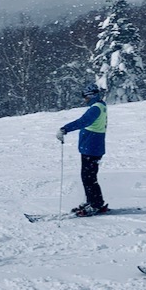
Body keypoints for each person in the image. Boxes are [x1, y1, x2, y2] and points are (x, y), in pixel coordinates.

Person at [56, 83, 109, 217]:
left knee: (88, 177)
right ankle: (94, 201)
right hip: (92, 146)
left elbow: (83, 121)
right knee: (89, 177)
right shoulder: (100, 105)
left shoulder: (96, 108)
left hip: (92, 147)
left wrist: (65, 129)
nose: (84, 100)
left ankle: (95, 204)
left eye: (85, 97)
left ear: (91, 96)